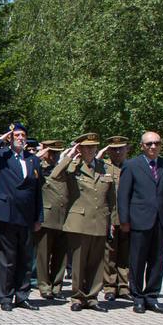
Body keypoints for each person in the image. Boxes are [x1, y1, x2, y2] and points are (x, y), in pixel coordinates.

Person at [0, 123, 44, 312]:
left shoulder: (33, 160)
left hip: (26, 215)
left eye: (23, 135)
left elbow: (37, 191)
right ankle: (6, 296)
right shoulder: (3, 157)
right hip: (7, 214)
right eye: (16, 135)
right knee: (7, 258)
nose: (20, 138)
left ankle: (22, 295)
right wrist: (2, 138)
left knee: (25, 258)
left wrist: (38, 217)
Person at [116, 131, 163, 313]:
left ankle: (152, 296)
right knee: (137, 260)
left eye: (156, 143)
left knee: (157, 260)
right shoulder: (131, 165)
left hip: (161, 220)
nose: (153, 147)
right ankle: (137, 297)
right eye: (149, 143)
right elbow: (123, 195)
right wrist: (124, 220)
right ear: (142, 146)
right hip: (139, 220)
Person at [52, 134, 115, 312]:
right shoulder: (73, 167)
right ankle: (78, 297)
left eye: (93, 147)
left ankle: (92, 297)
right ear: (80, 149)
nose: (90, 150)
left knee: (96, 262)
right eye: (86, 147)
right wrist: (70, 156)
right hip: (79, 221)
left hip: (100, 220)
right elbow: (55, 175)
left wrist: (112, 221)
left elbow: (112, 199)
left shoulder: (105, 167)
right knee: (79, 262)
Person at [34, 140, 69, 302]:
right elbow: (30, 163)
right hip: (47, 218)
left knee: (60, 256)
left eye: (57, 152)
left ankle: (57, 286)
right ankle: (44, 286)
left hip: (63, 217)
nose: (54, 156)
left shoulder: (65, 168)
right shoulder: (40, 168)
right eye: (51, 152)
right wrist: (41, 153)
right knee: (43, 254)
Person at [102, 136, 132, 302]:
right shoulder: (103, 167)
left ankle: (123, 286)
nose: (118, 151)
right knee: (109, 255)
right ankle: (109, 287)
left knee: (126, 254)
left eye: (121, 148)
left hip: (129, 218)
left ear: (128, 149)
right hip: (111, 217)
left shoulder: (133, 167)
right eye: (114, 149)